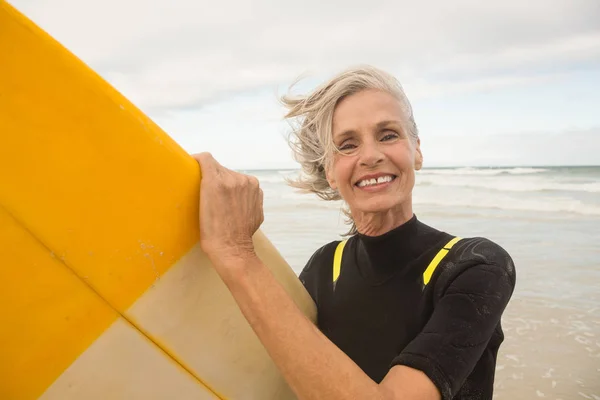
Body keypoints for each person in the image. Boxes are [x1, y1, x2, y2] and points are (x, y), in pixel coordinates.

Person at [192, 65, 516, 400]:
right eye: (347, 145)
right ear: (330, 171)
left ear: (415, 150)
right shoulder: (325, 266)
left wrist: (237, 254)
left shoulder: (476, 267)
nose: (372, 156)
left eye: (388, 135)